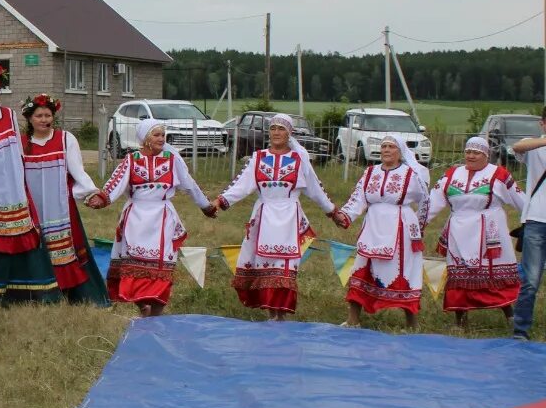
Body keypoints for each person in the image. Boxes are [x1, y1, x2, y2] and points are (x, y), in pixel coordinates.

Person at [215, 112, 347, 320]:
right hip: (264, 215)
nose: (276, 133)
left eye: (281, 129)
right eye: (273, 129)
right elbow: (241, 185)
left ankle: (281, 314)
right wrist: (220, 202)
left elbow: (315, 188)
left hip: (288, 216)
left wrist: (332, 212)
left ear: (289, 133)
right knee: (263, 262)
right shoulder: (258, 158)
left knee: (285, 265)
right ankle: (271, 312)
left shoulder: (299, 159)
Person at [87, 119, 216, 316]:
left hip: (162, 218)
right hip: (136, 219)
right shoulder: (131, 160)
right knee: (133, 264)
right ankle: (143, 307)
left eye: (163, 135)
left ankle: (156, 313)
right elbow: (115, 184)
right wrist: (102, 199)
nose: (161, 139)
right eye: (156, 135)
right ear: (145, 138)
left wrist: (205, 206)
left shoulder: (172, 160)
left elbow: (189, 185)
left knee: (162, 266)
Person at [0, 64, 59, 303]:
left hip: (12, 184)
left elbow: (18, 152)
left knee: (21, 233)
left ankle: (24, 288)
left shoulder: (9, 115)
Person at [21, 94, 109, 305]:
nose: (44, 119)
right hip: (32, 206)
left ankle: (74, 293)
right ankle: (38, 293)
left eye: (48, 115)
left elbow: (77, 171)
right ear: (30, 118)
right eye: (39, 115)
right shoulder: (21, 143)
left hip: (60, 204)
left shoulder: (65, 139)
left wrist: (90, 191)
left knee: (68, 248)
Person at [425, 136, 522, 329]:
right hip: (458, 229)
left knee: (493, 275)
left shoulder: (499, 174)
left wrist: (533, 220)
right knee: (459, 275)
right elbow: (433, 201)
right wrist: (417, 224)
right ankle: (460, 322)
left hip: (488, 231)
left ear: (486, 155)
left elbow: (520, 199)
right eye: (468, 152)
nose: (471, 156)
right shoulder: (451, 174)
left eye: (476, 152)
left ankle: (510, 316)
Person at [339, 137, 427, 329]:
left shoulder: (412, 174)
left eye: (391, 147)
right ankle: (353, 319)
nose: (386, 150)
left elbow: (425, 201)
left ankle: (412, 323)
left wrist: (418, 227)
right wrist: (344, 215)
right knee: (361, 269)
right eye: (384, 146)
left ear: (400, 151)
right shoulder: (370, 172)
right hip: (372, 226)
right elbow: (358, 198)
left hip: (400, 227)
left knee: (402, 272)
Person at [509, 108, 546, 340]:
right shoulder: (533, 146)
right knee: (531, 280)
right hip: (537, 220)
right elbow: (517, 148)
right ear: (543, 124)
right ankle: (521, 329)